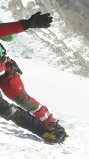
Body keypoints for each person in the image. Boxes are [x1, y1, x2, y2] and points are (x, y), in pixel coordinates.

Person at [0, 12, 68, 144]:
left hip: (5, 69)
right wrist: (26, 24)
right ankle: (44, 130)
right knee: (5, 107)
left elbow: (6, 33)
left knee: (21, 98)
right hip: (5, 69)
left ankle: (52, 125)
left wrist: (26, 24)